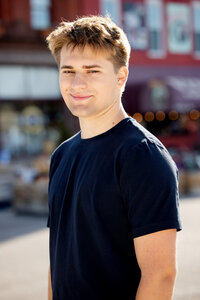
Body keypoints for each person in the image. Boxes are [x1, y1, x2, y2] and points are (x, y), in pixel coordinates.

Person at [46, 15, 182, 300]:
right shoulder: (62, 155)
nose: (76, 83)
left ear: (121, 76)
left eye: (92, 70)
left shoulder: (142, 156)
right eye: (68, 70)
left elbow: (160, 275)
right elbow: (58, 260)